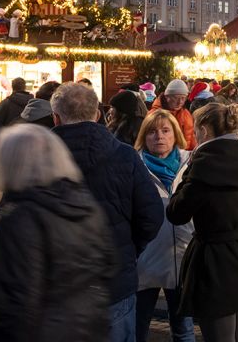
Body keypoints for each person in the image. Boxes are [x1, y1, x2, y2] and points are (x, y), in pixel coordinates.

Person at [51, 82, 164, 342]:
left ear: (56, 117)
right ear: (98, 114)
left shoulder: (37, 160)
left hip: (58, 283)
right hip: (114, 281)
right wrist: (129, 248)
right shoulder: (124, 155)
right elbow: (152, 214)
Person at [0, 124, 116, 340]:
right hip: (89, 324)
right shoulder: (85, 204)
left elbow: (17, 299)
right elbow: (108, 264)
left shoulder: (21, 217)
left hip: (43, 331)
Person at [166, 103, 238, 342]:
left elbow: (177, 213)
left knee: (219, 335)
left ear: (204, 130)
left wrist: (185, 177)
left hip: (214, 258)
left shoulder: (203, 163)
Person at [133, 110, 195, 342]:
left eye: (165, 130)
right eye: (152, 131)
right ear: (144, 136)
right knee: (138, 325)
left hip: (182, 256)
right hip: (145, 259)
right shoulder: (134, 165)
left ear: (175, 134)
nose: (159, 136)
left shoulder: (191, 162)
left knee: (183, 328)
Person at [152, 79, 196, 150]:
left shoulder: (186, 114)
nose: (180, 102)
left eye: (183, 98)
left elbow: (192, 138)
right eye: (176, 98)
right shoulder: (154, 115)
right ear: (167, 97)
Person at [0, 77, 31, 144]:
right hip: (28, 142)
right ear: (24, 87)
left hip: (9, 141)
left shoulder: (6, 103)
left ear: (12, 87)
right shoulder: (33, 103)